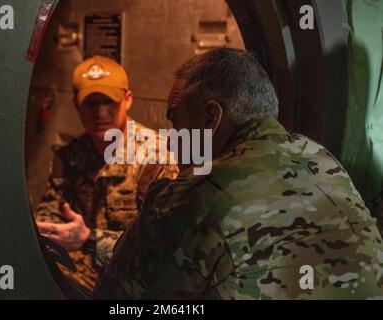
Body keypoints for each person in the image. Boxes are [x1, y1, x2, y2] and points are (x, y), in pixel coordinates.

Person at [94, 48, 383, 299]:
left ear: (210, 118)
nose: (171, 139)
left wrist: (153, 209)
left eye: (175, 119)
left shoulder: (201, 190)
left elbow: (119, 299)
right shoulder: (320, 158)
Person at [34, 55, 178, 295]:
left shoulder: (158, 158)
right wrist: (47, 229)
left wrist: (90, 239)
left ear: (127, 100)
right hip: (82, 276)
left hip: (139, 281)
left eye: (109, 102)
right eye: (91, 103)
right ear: (76, 105)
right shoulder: (69, 156)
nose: (100, 112)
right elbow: (53, 208)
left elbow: (164, 246)